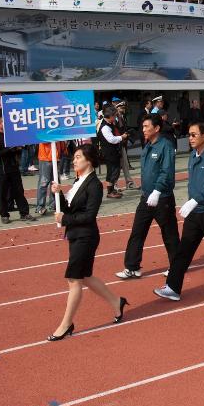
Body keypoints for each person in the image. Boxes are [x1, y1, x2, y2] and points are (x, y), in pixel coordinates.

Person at [46, 144, 129, 341]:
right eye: (74, 158)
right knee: (86, 276)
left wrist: (64, 219)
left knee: (74, 279)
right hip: (76, 235)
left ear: (88, 160)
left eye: (77, 157)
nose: (74, 161)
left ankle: (66, 324)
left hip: (86, 236)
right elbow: (71, 209)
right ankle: (117, 301)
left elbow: (89, 215)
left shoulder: (94, 185)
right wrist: (58, 193)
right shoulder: (78, 181)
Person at [154, 122, 204, 302]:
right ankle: (173, 287)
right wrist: (191, 202)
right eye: (189, 135)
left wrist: (196, 200)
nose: (190, 138)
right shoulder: (193, 156)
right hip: (194, 213)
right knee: (183, 251)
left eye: (194, 135)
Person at [117, 114, 178, 280]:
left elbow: (166, 172)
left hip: (162, 198)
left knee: (169, 233)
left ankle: (177, 266)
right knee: (137, 231)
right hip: (146, 198)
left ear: (156, 128)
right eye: (142, 127)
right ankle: (132, 267)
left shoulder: (165, 146)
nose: (143, 130)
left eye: (146, 127)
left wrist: (157, 191)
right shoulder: (147, 146)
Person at [0, 116, 33, 224]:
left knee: (19, 191)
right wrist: (9, 149)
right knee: (2, 193)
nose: (6, 126)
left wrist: (20, 148)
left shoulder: (12, 135)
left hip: (13, 168)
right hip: (0, 170)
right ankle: (4, 215)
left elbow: (18, 151)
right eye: (4, 124)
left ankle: (24, 213)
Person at [95, 104, 125, 199]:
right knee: (113, 171)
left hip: (112, 152)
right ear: (110, 116)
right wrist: (122, 137)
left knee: (113, 171)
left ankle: (111, 190)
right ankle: (110, 191)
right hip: (109, 152)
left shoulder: (109, 124)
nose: (116, 117)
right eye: (115, 116)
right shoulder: (105, 127)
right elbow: (111, 139)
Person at [33, 139, 66, 216]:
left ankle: (53, 204)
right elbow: (44, 140)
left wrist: (62, 148)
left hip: (54, 156)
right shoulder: (44, 128)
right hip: (46, 157)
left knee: (54, 181)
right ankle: (40, 207)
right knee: (44, 182)